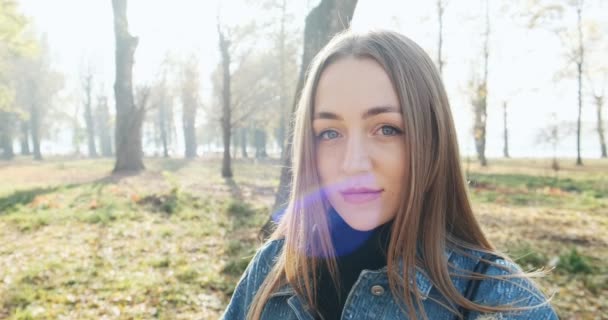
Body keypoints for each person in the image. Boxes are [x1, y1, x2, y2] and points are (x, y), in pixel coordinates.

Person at [222, 30, 558, 320]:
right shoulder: (273, 269)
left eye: (386, 129)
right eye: (330, 133)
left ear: (432, 140)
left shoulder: (503, 301)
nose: (353, 164)